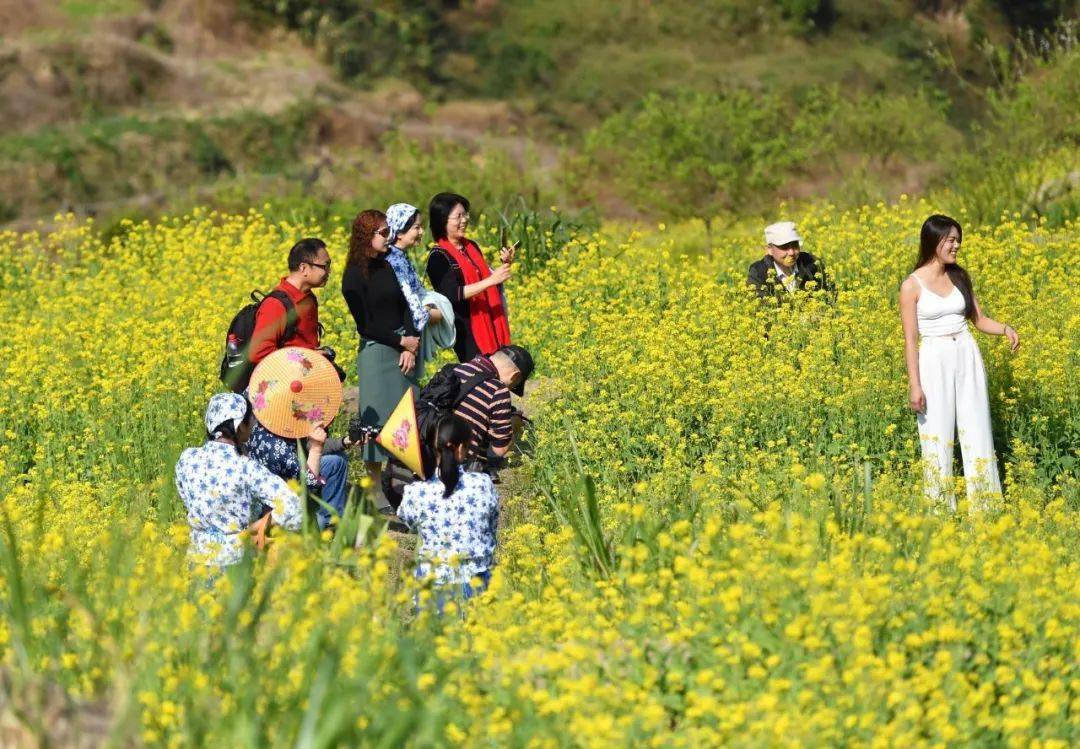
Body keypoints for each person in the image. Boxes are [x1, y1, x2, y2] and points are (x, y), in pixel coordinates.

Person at [899, 214, 1020, 509]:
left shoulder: (959, 277)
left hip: (966, 353)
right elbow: (911, 340)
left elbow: (978, 320)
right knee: (936, 435)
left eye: (958, 240)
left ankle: (986, 505)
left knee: (977, 426)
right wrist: (915, 386)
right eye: (951, 240)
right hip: (934, 359)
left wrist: (1005, 328)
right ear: (933, 241)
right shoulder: (911, 286)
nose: (957, 246)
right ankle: (940, 509)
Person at [244, 237, 350, 529]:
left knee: (310, 449)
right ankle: (283, 520)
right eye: (324, 266)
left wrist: (316, 356)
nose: (328, 271)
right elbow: (259, 352)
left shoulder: (309, 299)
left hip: (303, 393)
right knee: (291, 458)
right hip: (281, 399)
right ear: (304, 267)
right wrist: (302, 358)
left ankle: (315, 522)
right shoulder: (277, 304)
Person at [175, 393, 313, 568]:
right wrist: (257, 527)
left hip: (197, 560)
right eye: (251, 419)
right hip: (235, 562)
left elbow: (187, 498)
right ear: (240, 426)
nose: (254, 423)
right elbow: (294, 507)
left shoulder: (186, 459)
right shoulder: (246, 467)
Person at [398, 414, 500, 611]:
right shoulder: (483, 484)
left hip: (433, 584)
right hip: (477, 581)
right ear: (462, 448)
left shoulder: (416, 492)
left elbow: (408, 521)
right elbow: (491, 525)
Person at [426, 193, 513, 362]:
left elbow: (485, 278)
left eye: (465, 214)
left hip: (491, 319)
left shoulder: (470, 246)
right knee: (482, 377)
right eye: (458, 216)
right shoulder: (438, 257)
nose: (464, 220)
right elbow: (452, 294)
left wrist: (505, 264)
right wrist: (491, 280)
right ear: (442, 220)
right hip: (467, 329)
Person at [451, 345, 534, 471]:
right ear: (515, 376)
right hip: (455, 463)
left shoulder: (457, 368)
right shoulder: (498, 389)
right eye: (514, 385)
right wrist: (513, 425)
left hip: (422, 450)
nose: (510, 389)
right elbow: (499, 450)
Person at [747, 221, 832, 301]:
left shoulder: (812, 263)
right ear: (769, 249)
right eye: (784, 247)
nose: (791, 252)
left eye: (795, 245)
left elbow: (831, 295)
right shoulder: (758, 272)